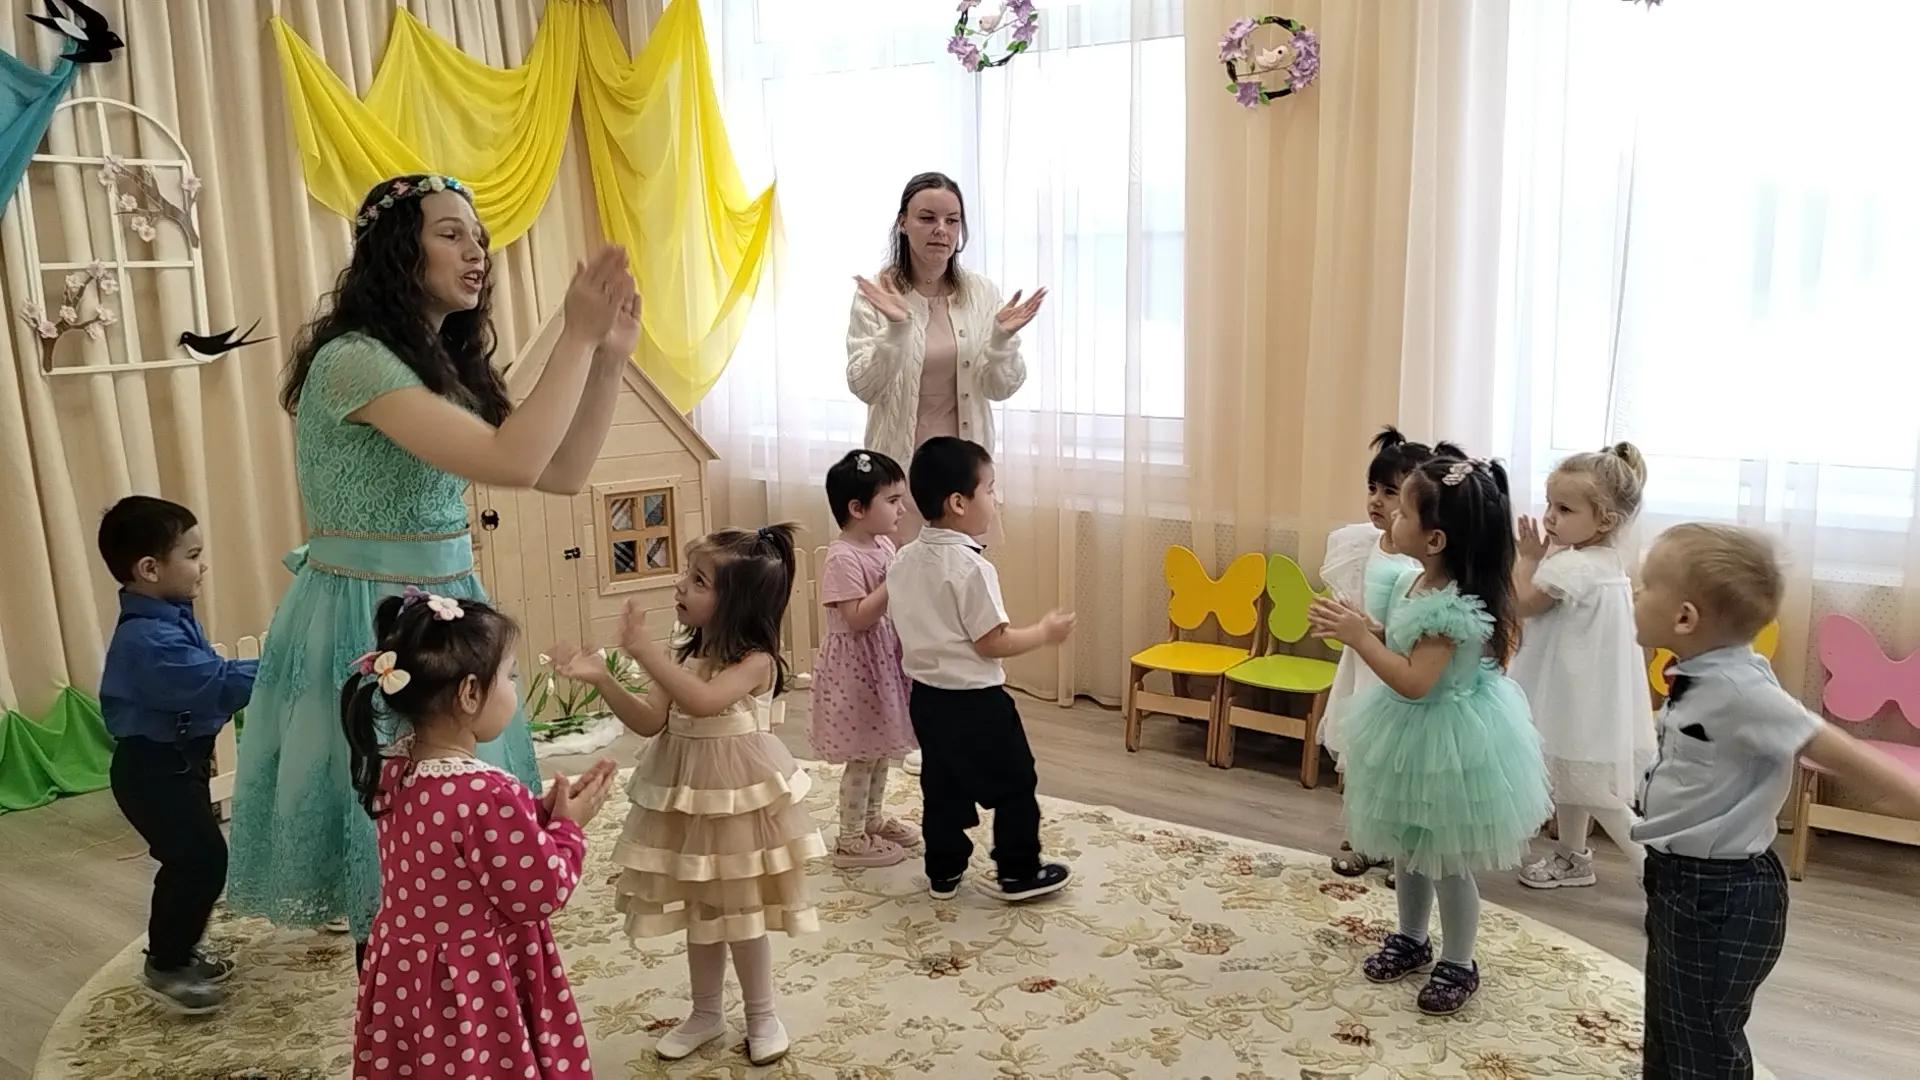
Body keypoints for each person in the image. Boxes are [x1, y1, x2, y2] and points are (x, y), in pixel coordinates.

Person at [227, 173, 639, 963]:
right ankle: (408, 1012)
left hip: (444, 606)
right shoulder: (355, 360)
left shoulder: (437, 362)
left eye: (479, 237)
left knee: (458, 837)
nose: (475, 251)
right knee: (394, 853)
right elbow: (516, 461)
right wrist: (575, 336)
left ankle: (450, 1006)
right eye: (451, 233)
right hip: (370, 615)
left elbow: (560, 471)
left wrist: (608, 358)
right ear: (395, 251)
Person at [1631, 523, 1920, 1078]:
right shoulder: (1702, 673)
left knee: (1704, 1042)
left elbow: (1842, 753)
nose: (1636, 593)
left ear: (1685, 617)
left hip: (1720, 895)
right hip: (1677, 879)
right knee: (1669, 1020)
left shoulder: (1744, 691)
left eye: (1645, 585)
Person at [1309, 456, 1551, 1016]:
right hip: (1409, 736)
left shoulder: (1450, 607)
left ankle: (1460, 961)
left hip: (1446, 740)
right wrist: (1369, 627)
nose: (1391, 517)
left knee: (1445, 861)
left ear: (1435, 538)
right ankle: (1412, 937)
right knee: (1408, 849)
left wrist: (1360, 640)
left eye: (1403, 512)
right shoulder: (1415, 580)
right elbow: (1405, 644)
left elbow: (1416, 682)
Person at [344, 590, 616, 1080]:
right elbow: (539, 892)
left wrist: (537, 815)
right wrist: (569, 829)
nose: (513, 689)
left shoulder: (395, 768)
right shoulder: (486, 792)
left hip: (409, 973)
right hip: (474, 977)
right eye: (509, 677)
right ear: (470, 693)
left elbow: (454, 852)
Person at [580, 525, 823, 1067]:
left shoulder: (756, 661)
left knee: (741, 912)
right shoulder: (682, 653)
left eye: (698, 580)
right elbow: (650, 720)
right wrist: (604, 680)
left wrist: (646, 653)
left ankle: (762, 1014)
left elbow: (705, 702)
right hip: (686, 797)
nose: (680, 586)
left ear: (736, 601)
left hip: (736, 800)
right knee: (701, 909)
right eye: (687, 575)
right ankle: (706, 1012)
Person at [847, 172, 1046, 777]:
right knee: (905, 601)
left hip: (960, 479)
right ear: (903, 223)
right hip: (899, 478)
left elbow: (1000, 386)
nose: (941, 230)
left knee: (960, 599)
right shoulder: (879, 293)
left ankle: (955, 721)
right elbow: (864, 385)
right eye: (928, 217)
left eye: (952, 220)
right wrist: (897, 328)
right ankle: (905, 725)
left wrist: (1003, 340)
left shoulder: (979, 293)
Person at [887, 437, 1076, 902]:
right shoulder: (971, 568)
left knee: (942, 785)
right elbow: (992, 641)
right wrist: (1044, 632)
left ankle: (943, 871)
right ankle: (1019, 871)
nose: (996, 499)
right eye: (990, 490)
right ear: (959, 503)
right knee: (1015, 783)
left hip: (926, 699)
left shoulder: (904, 558)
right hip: (977, 703)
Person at [96, 496, 258, 1014]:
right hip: (152, 771)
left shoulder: (170, 616)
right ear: (149, 568)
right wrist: (283, 665)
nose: (202, 565)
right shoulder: (147, 640)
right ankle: (166, 963)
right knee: (198, 859)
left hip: (177, 765)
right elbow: (214, 683)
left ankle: (178, 951)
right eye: (192, 555)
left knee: (196, 859)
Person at [1511, 443, 1655, 889]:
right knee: (1570, 778)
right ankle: (1572, 856)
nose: (1550, 517)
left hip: (1572, 695)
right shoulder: (1605, 562)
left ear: (1605, 520)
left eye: (1565, 509)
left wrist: (1528, 559)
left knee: (1591, 788)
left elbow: (1522, 603)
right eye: (1549, 504)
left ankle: (1655, 869)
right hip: (1585, 693)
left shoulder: (1572, 567)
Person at [1320, 428, 1452, 881]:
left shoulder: (1424, 559)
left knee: (1401, 768)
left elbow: (1415, 634)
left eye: (1391, 492)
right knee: (1362, 762)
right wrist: (1349, 622)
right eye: (1372, 488)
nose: (1376, 500)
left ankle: (1404, 852)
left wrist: (1370, 633)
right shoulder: (1362, 543)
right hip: (1363, 668)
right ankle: (1366, 839)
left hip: (1398, 672)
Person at [813, 450, 922, 868]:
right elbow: (857, 618)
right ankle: (850, 838)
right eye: (892, 500)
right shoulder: (842, 557)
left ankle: (871, 819)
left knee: (879, 749)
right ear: (857, 509)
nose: (902, 509)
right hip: (855, 670)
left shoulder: (883, 544)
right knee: (862, 754)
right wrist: (894, 580)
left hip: (882, 661)